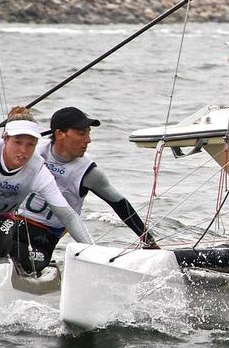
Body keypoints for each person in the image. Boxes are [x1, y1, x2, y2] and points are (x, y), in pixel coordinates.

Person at [12, 106, 157, 271]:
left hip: (42, 240)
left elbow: (121, 206)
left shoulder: (88, 172)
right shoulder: (33, 152)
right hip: (11, 225)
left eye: (88, 133)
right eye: (82, 133)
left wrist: (150, 242)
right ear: (59, 134)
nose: (88, 140)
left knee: (14, 253)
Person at [0, 107, 94, 273]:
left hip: (3, 219)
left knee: (1, 244)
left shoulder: (37, 169)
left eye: (30, 144)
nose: (23, 151)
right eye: (17, 142)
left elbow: (67, 214)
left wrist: (93, 253)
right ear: (5, 139)